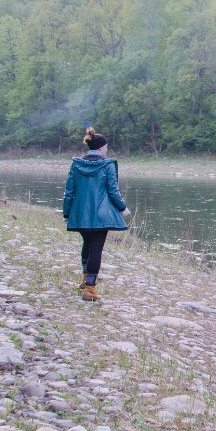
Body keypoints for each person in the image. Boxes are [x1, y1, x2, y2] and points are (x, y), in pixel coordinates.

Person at [62, 126, 131, 301]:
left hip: (80, 215)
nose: (107, 150)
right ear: (101, 148)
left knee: (87, 243)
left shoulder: (76, 165)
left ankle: (85, 280)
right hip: (101, 217)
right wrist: (123, 208)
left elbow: (69, 191)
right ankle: (90, 289)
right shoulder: (107, 165)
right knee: (96, 250)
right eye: (106, 147)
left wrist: (66, 213)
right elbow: (113, 191)